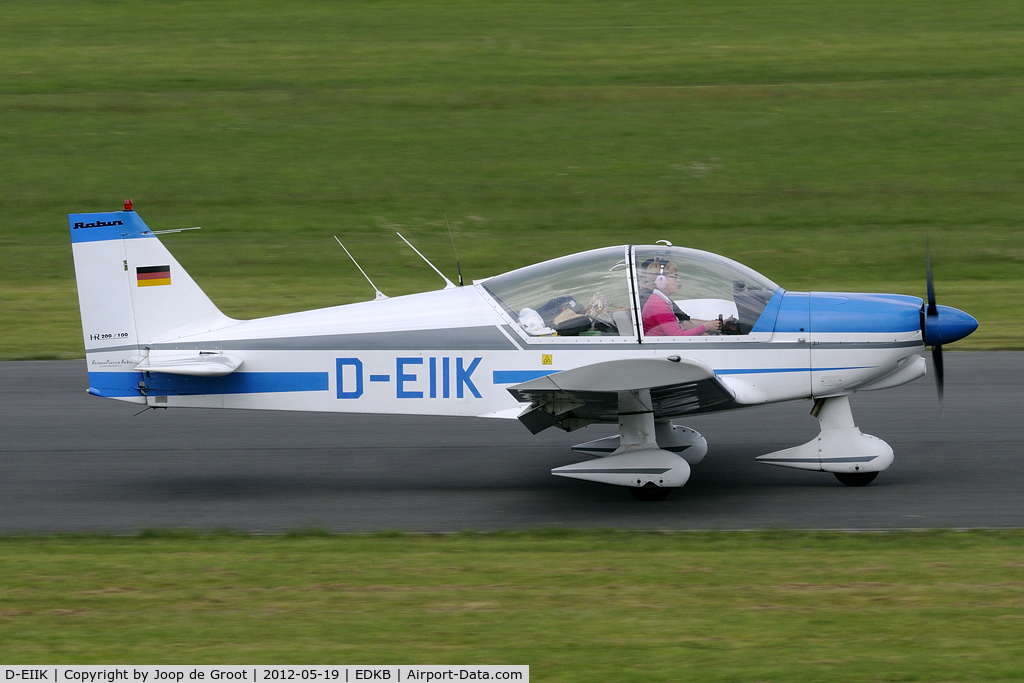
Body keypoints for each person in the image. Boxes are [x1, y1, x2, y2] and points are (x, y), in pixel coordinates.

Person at [641, 259, 723, 336]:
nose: (678, 280)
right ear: (661, 280)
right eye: (675, 276)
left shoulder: (659, 300)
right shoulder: (658, 305)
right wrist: (706, 327)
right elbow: (677, 336)